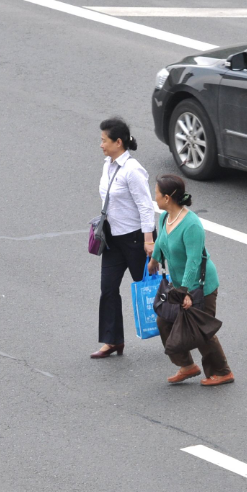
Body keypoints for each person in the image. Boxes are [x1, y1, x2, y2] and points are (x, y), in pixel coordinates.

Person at [147, 174, 234, 386]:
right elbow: (161, 240)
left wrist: (185, 291)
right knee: (164, 321)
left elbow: (193, 262)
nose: (154, 196)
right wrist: (155, 259)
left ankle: (222, 372)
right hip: (180, 285)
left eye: (156, 193)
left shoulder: (191, 225)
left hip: (200, 285)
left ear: (167, 197)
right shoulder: (165, 216)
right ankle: (186, 365)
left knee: (200, 328)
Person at [91, 117, 156, 359]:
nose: (101, 145)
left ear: (118, 142)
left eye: (104, 140)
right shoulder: (107, 164)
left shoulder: (133, 170)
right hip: (113, 240)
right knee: (108, 289)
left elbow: (145, 207)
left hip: (136, 240)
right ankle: (112, 341)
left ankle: (178, 333)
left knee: (152, 289)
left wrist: (149, 241)